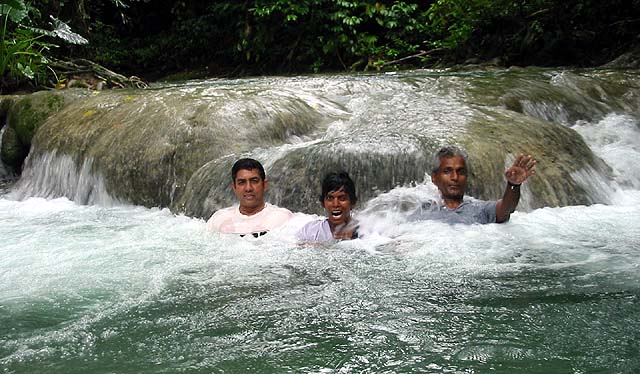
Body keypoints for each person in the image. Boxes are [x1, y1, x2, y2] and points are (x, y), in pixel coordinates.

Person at [410, 146, 536, 224]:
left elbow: (506, 209)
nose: (455, 177)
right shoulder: (422, 212)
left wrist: (513, 185)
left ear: (466, 177)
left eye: (461, 172)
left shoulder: (481, 209)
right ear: (434, 177)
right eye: (447, 171)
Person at [207, 158, 293, 236]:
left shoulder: (283, 218)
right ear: (234, 187)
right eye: (242, 182)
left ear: (265, 185)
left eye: (254, 181)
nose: (248, 188)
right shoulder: (219, 219)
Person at [297, 171, 359, 242]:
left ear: (353, 203)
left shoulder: (364, 232)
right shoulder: (310, 232)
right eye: (330, 198)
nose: (336, 204)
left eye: (342, 198)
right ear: (323, 203)